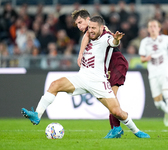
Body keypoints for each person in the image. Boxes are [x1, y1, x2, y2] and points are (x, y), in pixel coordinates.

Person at [21, 15, 150, 139]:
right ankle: (37, 115)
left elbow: (113, 42)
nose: (91, 30)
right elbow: (86, 37)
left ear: (101, 28)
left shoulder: (106, 38)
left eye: (94, 28)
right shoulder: (87, 37)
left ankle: (136, 131)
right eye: (90, 27)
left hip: (99, 82)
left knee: (117, 112)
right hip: (82, 78)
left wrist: (116, 39)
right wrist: (81, 53)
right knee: (55, 84)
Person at [71, 9, 128, 138]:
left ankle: (116, 128)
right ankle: (116, 127)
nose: (79, 26)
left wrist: (80, 54)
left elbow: (111, 41)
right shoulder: (90, 32)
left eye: (80, 22)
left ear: (88, 20)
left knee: (111, 98)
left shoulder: (98, 29)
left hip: (115, 62)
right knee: (110, 99)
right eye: (77, 24)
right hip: (106, 66)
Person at [139, 19, 168, 127]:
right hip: (153, 73)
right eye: (150, 26)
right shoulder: (144, 42)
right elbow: (142, 59)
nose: (152, 28)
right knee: (157, 103)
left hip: (165, 71)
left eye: (154, 26)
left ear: (159, 28)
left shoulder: (166, 39)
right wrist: (146, 58)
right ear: (148, 29)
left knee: (167, 94)